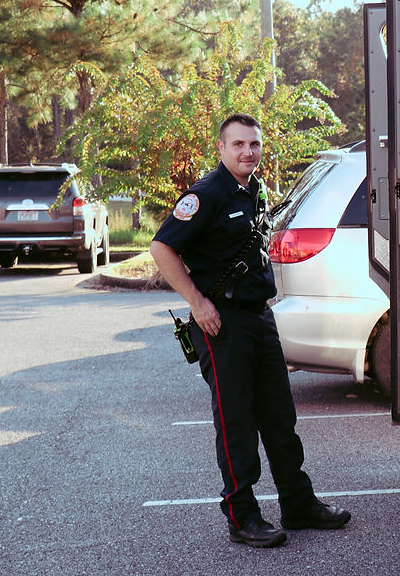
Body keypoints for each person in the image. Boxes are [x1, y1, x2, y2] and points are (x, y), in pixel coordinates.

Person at [150, 112, 350, 548]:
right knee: (237, 423)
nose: (247, 152)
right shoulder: (206, 194)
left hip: (259, 318)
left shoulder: (254, 188)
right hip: (222, 324)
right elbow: (161, 246)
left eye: (254, 145)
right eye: (238, 145)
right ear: (221, 148)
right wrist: (197, 303)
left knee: (280, 416)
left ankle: (297, 503)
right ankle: (242, 516)